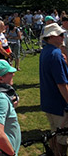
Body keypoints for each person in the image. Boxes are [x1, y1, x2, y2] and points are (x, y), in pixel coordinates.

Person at [39, 23, 68, 155]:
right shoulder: (55, 54)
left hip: (48, 101)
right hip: (59, 104)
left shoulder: (46, 51)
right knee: (63, 138)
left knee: (54, 133)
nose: (63, 36)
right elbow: (61, 83)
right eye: (60, 34)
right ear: (51, 37)